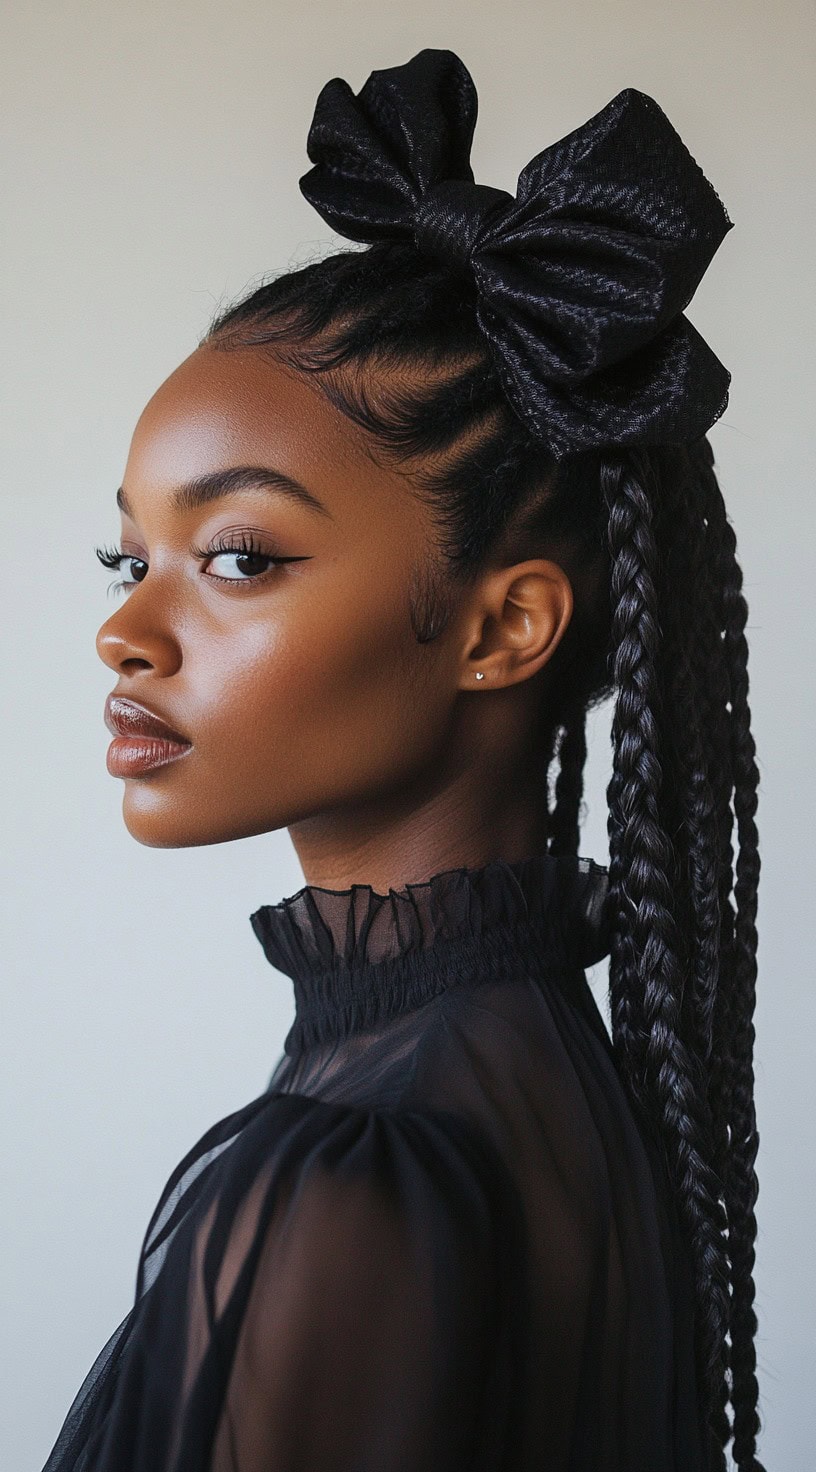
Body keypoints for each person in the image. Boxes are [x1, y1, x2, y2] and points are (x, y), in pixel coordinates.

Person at [42, 47, 765, 1472]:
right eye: (129, 556)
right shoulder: (544, 1076)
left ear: (502, 629)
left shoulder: (350, 1187)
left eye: (239, 556)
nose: (127, 629)